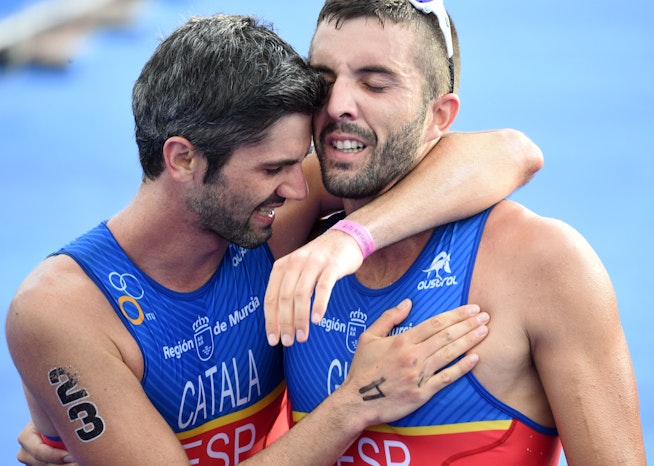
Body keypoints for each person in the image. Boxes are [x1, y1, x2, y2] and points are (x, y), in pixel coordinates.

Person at [8, 13, 543, 466]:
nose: (301, 189)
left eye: (298, 161)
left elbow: (510, 152)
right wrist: (356, 402)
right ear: (183, 159)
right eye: (273, 169)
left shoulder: (267, 221)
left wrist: (351, 238)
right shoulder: (63, 310)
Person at [273, 1, 648, 464]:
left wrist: (353, 235)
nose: (336, 105)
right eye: (323, 80)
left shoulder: (542, 263)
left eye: (374, 84)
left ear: (440, 117)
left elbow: (515, 150)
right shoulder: (290, 246)